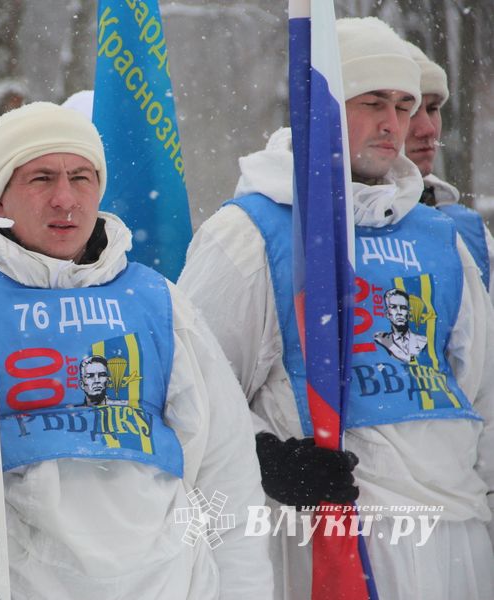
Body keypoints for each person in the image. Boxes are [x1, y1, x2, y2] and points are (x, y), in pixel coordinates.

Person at [0, 101, 272, 599]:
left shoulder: (158, 303)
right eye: (41, 178)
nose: (65, 199)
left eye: (81, 177)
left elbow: (229, 477)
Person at [177, 17, 494, 600]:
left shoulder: (440, 238)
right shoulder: (253, 231)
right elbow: (195, 390)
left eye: (403, 104)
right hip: (318, 539)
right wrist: (267, 458)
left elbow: (481, 390)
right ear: (320, 106)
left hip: (452, 536)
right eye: (372, 101)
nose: (393, 123)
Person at [404, 41, 494, 298]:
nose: (428, 129)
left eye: (433, 109)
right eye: (408, 110)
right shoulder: (315, 229)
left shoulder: (468, 234)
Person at [373, 288, 427, 364]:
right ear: (387, 314)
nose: (399, 312)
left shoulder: (423, 341)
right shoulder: (381, 340)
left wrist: (391, 347)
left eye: (403, 308)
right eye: (393, 307)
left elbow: (414, 360)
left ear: (408, 314)